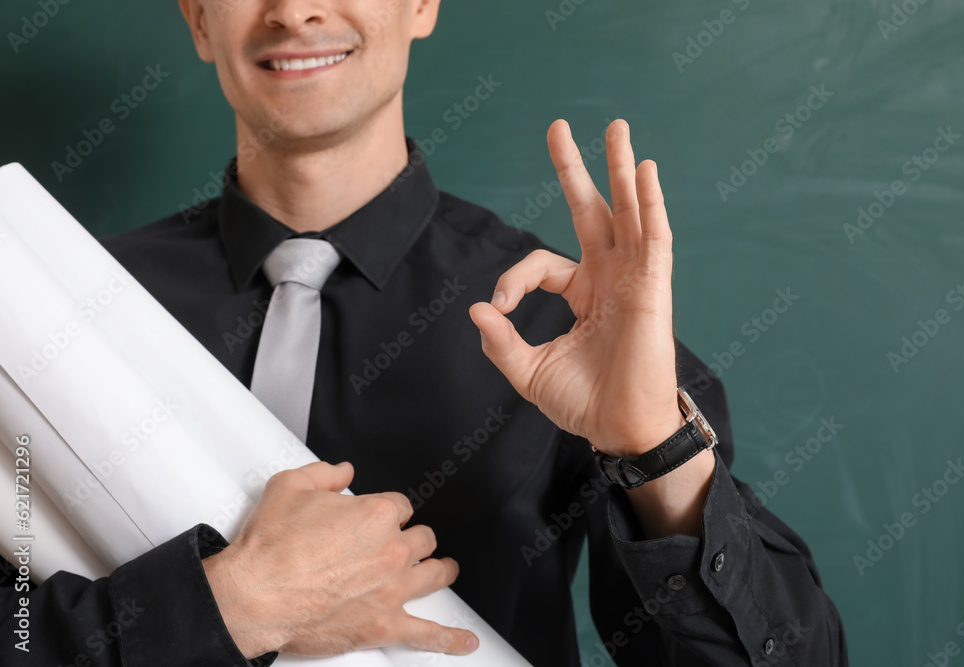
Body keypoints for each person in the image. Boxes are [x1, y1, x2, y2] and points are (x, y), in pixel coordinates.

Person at [0, 0, 847, 664]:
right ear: (196, 16)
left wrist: (656, 450)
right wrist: (228, 604)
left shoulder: (562, 323)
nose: (294, 10)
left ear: (422, 2)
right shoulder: (52, 313)